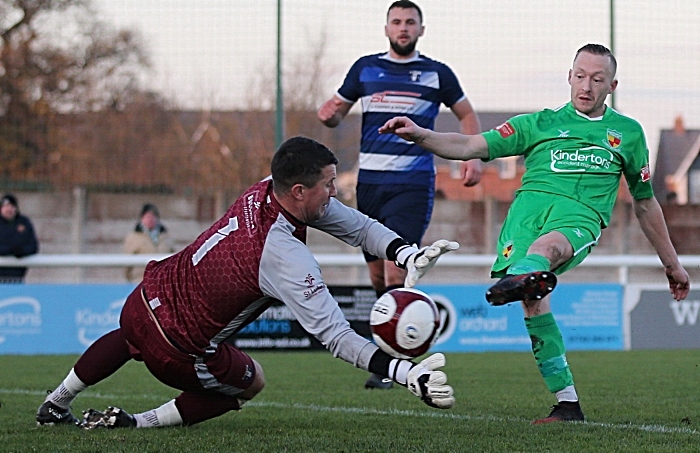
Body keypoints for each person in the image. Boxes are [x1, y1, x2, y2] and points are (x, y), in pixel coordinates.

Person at [36, 136, 459, 429]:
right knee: (252, 380)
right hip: (178, 348)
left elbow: (358, 226)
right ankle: (137, 423)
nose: (334, 192)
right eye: (329, 185)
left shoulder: (267, 190)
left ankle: (56, 402)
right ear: (298, 190)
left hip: (145, 298)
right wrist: (404, 373)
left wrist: (405, 252)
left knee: (130, 333)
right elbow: (335, 335)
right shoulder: (283, 255)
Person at [379, 43, 690, 424]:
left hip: (579, 216)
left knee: (548, 250)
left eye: (597, 79)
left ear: (612, 85)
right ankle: (567, 402)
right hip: (524, 219)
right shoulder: (536, 124)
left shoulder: (627, 134)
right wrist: (420, 135)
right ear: (569, 76)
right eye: (580, 75)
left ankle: (522, 277)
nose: (586, 86)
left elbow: (645, 203)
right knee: (533, 302)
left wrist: (672, 264)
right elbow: (470, 145)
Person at [317, 0, 482, 389]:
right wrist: (329, 114)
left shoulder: (437, 74)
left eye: (410, 22)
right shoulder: (365, 68)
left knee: (396, 268)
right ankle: (390, 346)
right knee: (377, 273)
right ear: (386, 28)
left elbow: (468, 116)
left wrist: (474, 157)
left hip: (412, 184)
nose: (403, 28)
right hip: (370, 185)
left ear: (421, 30)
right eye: (397, 22)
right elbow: (337, 110)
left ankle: (390, 364)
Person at [123, 203, 175, 282]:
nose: (150, 219)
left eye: (153, 216)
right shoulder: (133, 238)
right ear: (142, 218)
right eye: (148, 217)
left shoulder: (166, 238)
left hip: (163, 282)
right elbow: (126, 264)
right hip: (140, 281)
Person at [0, 193, 39, 283]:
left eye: (11, 206)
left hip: (18, 277)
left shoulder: (24, 222)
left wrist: (21, 252)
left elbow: (33, 246)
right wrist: (9, 251)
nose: (9, 209)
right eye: (6, 206)